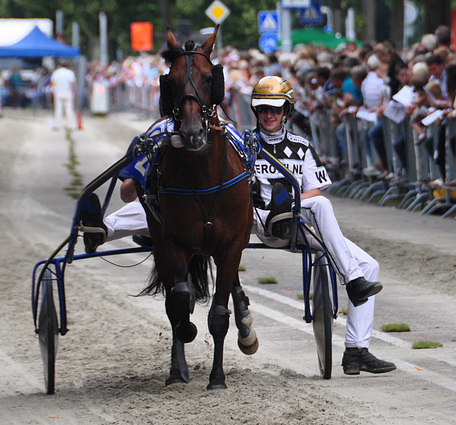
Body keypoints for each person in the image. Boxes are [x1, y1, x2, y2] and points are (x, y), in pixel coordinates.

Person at [82, 76, 396, 376]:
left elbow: (314, 191)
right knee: (164, 202)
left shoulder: (302, 147)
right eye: (262, 109)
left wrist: (291, 201)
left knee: (367, 262)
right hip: (252, 218)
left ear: (286, 111)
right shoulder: (244, 142)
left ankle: (356, 348)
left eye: (274, 109)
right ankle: (102, 229)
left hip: (296, 222)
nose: (268, 115)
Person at [49, 61, 77, 130]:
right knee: (69, 109)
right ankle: (70, 125)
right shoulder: (70, 73)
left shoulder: (56, 72)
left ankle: (57, 125)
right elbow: (72, 84)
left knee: (58, 109)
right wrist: (74, 92)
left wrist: (53, 90)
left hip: (58, 92)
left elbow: (52, 83)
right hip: (68, 92)